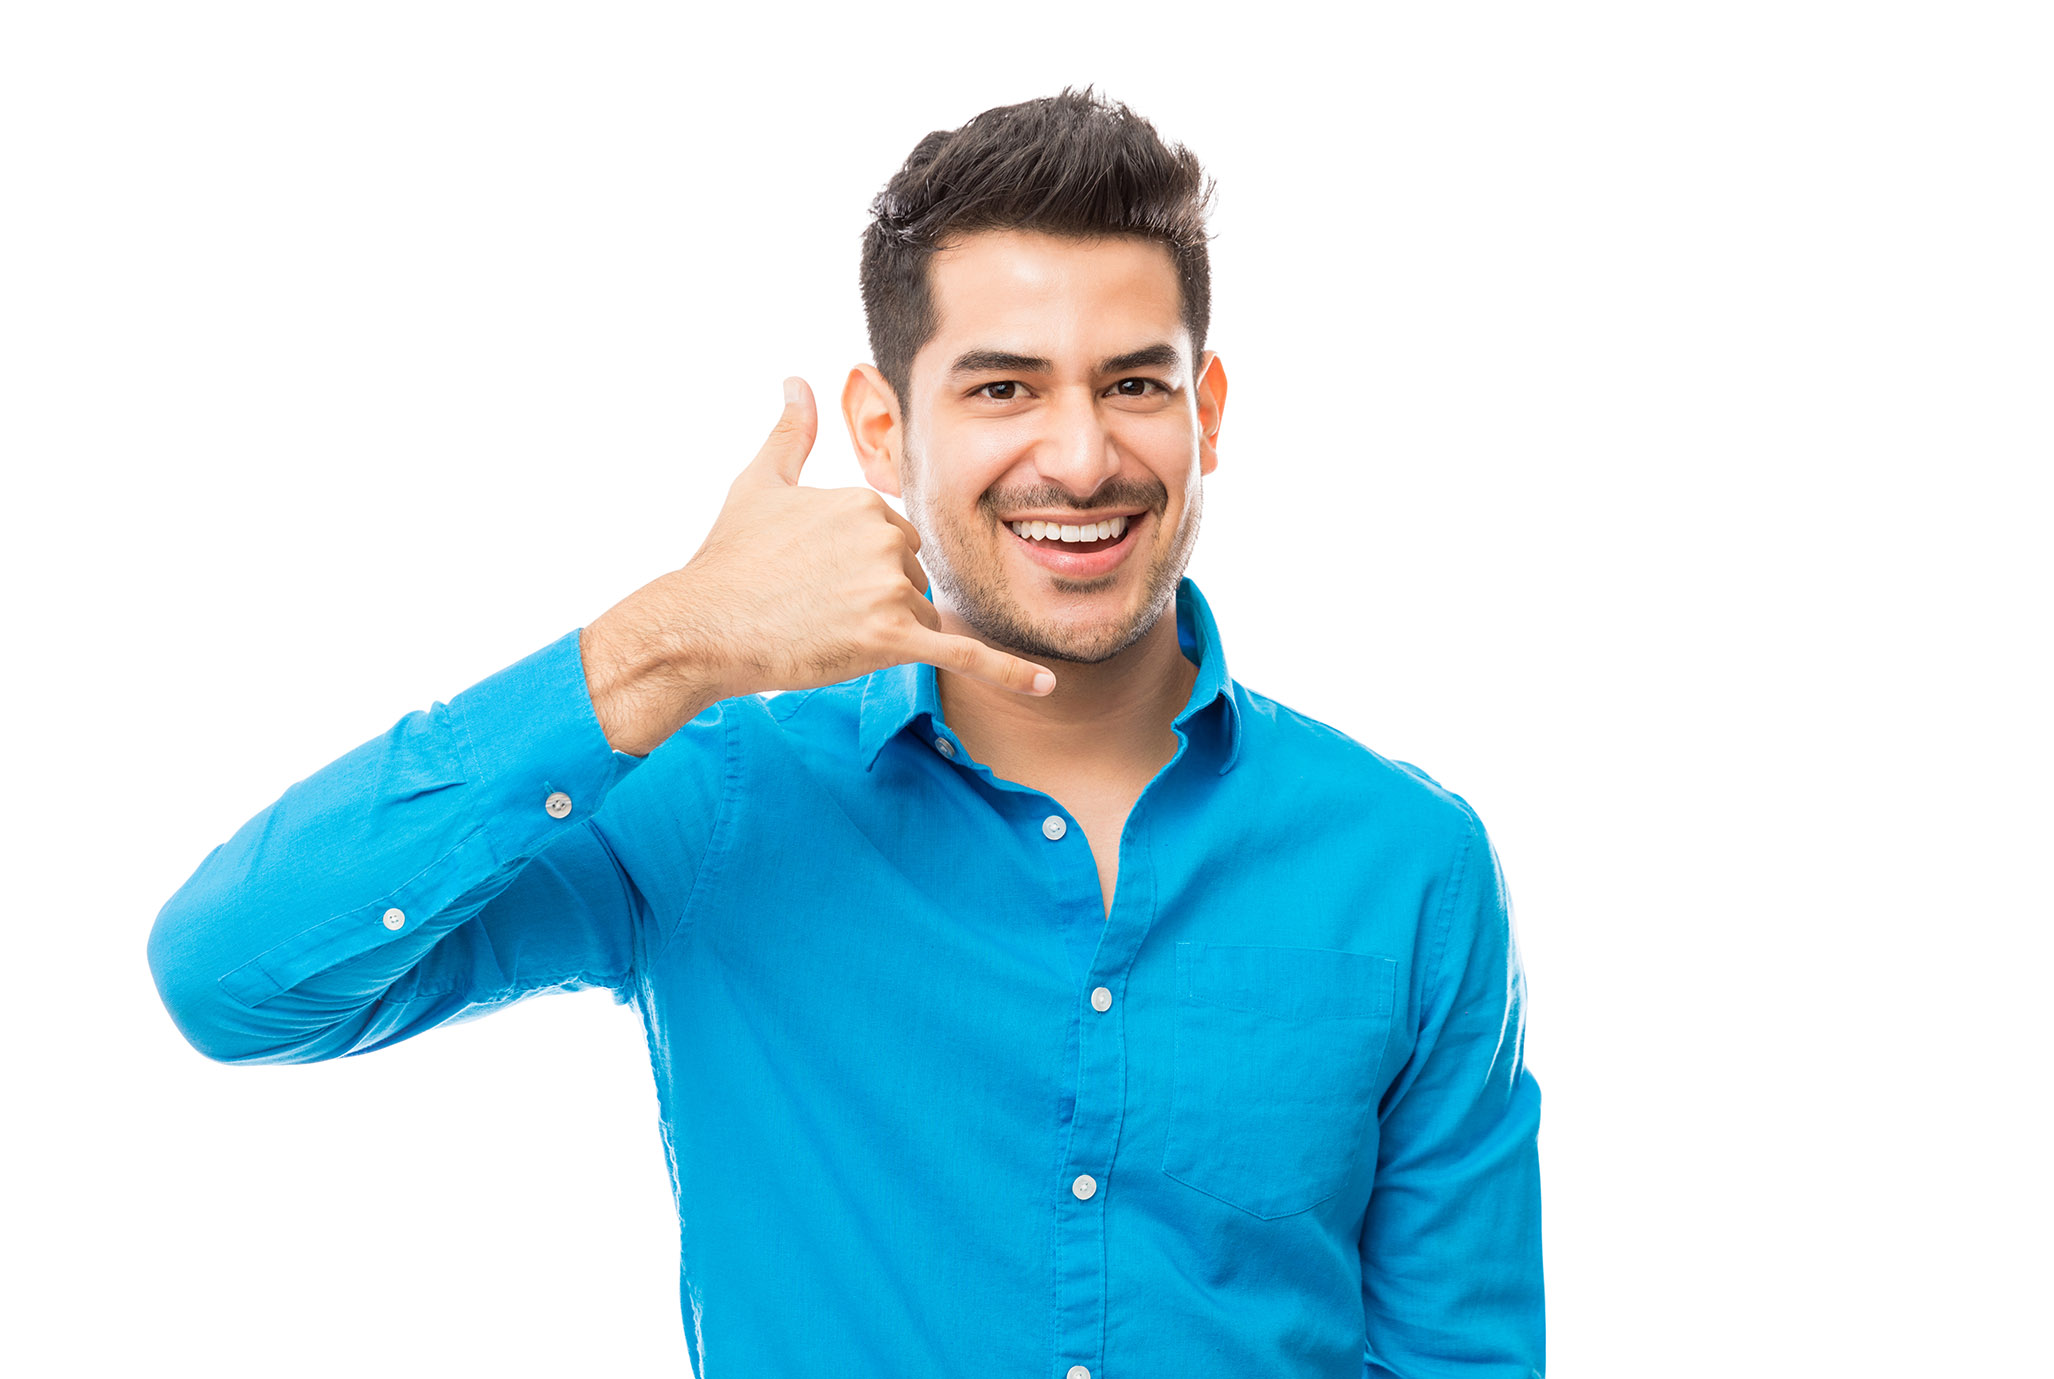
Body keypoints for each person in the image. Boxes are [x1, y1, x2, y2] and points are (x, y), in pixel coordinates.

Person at [148, 88, 1544, 1377]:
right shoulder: (719, 795)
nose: (1081, 456)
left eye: (1134, 382)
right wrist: (662, 644)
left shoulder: (1410, 864)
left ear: (1207, 410)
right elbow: (236, 978)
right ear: (883, 431)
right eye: (1004, 387)